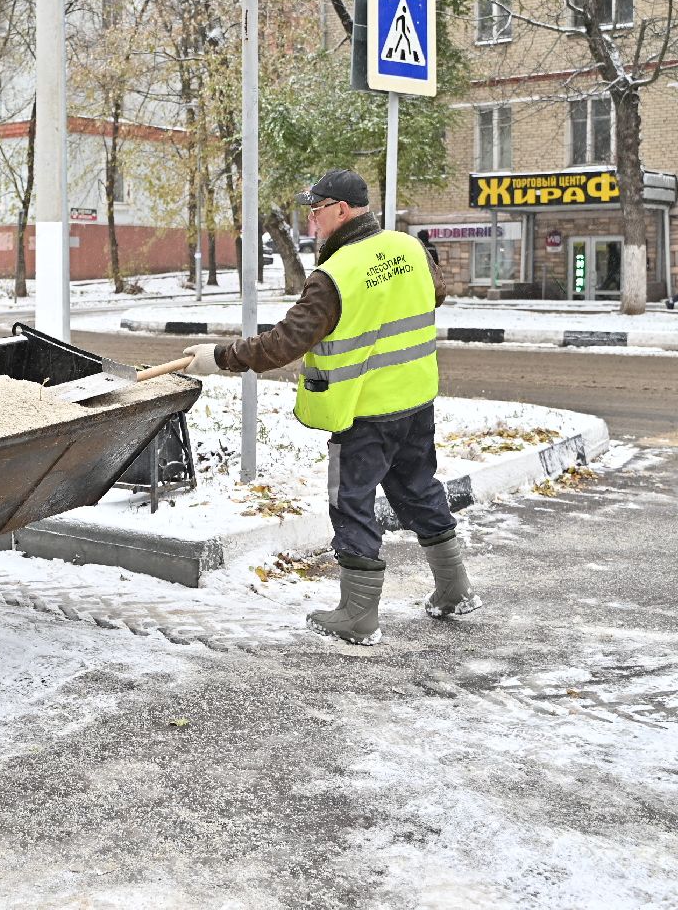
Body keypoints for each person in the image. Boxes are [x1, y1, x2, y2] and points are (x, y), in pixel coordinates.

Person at [181, 170, 479, 646]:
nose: (312, 219)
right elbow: (435, 295)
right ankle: (454, 588)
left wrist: (218, 358)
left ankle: (359, 615)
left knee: (352, 502)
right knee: (419, 487)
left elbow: (283, 343)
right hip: (415, 401)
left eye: (316, 209)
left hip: (364, 411)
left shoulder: (335, 274)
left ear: (343, 210)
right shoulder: (409, 249)